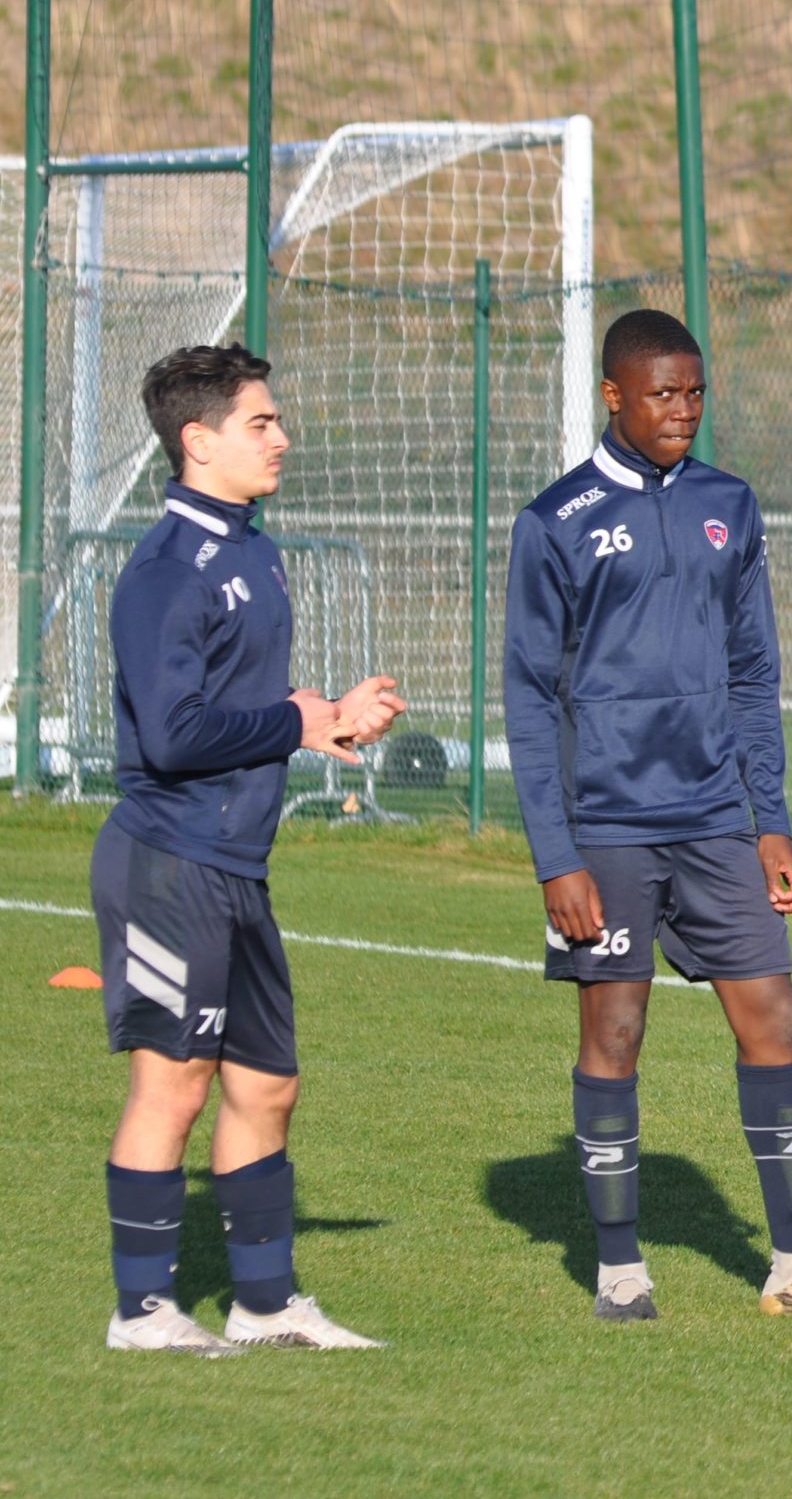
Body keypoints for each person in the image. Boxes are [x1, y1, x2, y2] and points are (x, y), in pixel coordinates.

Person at [503, 307, 792, 1324]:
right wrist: (557, 854)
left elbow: (755, 669)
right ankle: (622, 1270)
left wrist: (771, 818)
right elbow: (528, 697)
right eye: (662, 393)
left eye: (695, 392)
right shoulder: (557, 518)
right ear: (614, 395)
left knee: (773, 1017)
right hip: (608, 826)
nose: (682, 410)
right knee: (615, 1029)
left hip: (719, 816)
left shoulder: (731, 503)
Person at [95, 343, 405, 1354]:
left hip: (236, 867)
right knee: (173, 1081)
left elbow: (258, 711)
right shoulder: (163, 572)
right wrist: (294, 720)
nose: (282, 437)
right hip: (168, 861)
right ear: (200, 440)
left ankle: (265, 1304)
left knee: (267, 1081)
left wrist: (333, 722)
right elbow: (174, 735)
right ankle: (142, 1312)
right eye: (261, 422)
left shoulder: (255, 553)